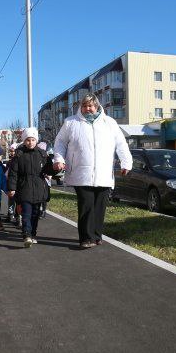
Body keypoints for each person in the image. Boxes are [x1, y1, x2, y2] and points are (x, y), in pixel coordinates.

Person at [53, 93, 132, 248]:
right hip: (80, 172)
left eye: (90, 106)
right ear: (80, 107)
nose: (87, 109)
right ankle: (86, 238)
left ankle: (96, 236)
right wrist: (59, 159)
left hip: (103, 173)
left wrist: (126, 163)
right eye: (84, 106)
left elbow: (121, 144)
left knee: (99, 206)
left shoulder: (109, 122)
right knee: (86, 205)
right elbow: (60, 143)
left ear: (97, 106)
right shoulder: (71, 123)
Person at [8, 128, 56, 248]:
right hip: (24, 188)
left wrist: (55, 167)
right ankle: (27, 235)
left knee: (35, 213)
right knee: (26, 213)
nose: (30, 142)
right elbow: (13, 173)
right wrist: (12, 188)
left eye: (33, 140)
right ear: (24, 141)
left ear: (36, 140)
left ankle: (33, 234)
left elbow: (48, 170)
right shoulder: (19, 154)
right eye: (28, 140)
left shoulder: (42, 154)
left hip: (39, 187)